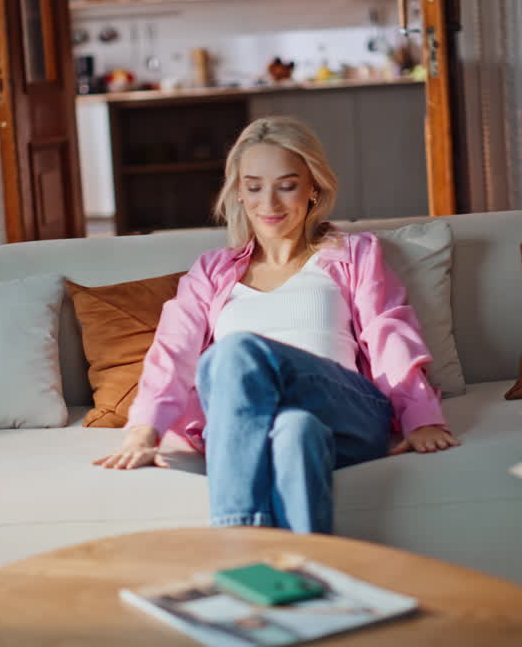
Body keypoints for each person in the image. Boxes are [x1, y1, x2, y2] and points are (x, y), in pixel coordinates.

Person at [93, 116, 459, 534]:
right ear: (239, 193)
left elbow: (387, 330)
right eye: (254, 187)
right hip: (256, 426)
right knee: (295, 431)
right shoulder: (211, 271)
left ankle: (237, 539)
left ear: (313, 187)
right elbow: (173, 351)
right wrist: (144, 432)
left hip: (348, 409)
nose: (269, 203)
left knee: (235, 352)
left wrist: (421, 417)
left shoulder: (352, 254)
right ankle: (306, 579)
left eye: (286, 185)